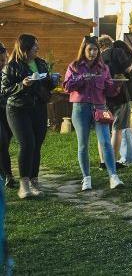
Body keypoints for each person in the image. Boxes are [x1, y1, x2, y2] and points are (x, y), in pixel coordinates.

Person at [0, 34, 59, 199]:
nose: (37, 49)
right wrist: (22, 85)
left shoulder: (40, 63)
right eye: (35, 47)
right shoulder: (11, 67)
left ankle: (34, 181)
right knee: (27, 144)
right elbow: (4, 90)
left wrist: (53, 81)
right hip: (18, 110)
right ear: (25, 49)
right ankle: (23, 185)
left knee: (37, 145)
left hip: (38, 108)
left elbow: (46, 84)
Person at [63, 35, 124, 191]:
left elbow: (109, 90)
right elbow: (67, 86)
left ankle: (113, 177)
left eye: (95, 49)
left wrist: (116, 86)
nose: (93, 52)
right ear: (84, 50)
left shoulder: (104, 68)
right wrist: (82, 78)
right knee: (83, 144)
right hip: (80, 108)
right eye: (90, 49)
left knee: (105, 142)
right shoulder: (74, 66)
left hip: (100, 107)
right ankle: (86, 178)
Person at [97, 35, 132, 168]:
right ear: (110, 43)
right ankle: (112, 162)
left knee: (103, 129)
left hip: (102, 97)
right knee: (118, 129)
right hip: (120, 94)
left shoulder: (96, 58)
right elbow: (129, 69)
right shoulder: (117, 52)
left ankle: (103, 161)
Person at [0, 43, 16, 189]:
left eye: (3, 60)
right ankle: (8, 175)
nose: (1, 64)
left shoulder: (9, 72)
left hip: (9, 111)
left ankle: (3, 171)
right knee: (2, 142)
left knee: (5, 142)